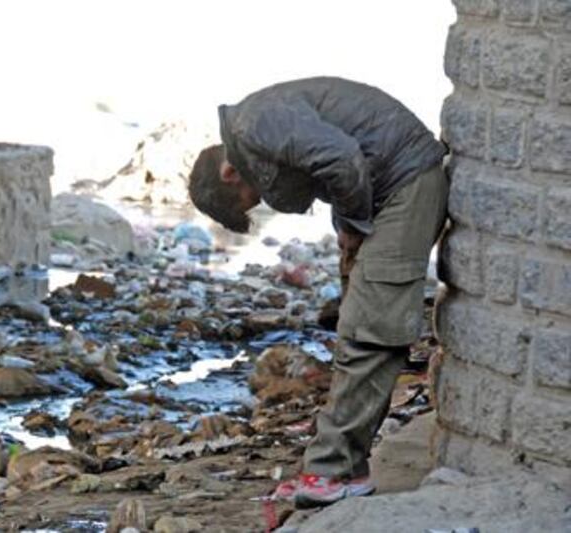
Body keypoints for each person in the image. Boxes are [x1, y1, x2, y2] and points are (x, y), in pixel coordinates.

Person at [188, 77, 449, 507]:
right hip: (389, 190)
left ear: (230, 172)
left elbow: (342, 159)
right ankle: (346, 466)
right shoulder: (255, 127)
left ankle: (334, 471)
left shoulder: (256, 125)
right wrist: (349, 227)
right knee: (357, 326)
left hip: (408, 181)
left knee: (371, 330)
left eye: (252, 200)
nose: (262, 201)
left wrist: (351, 223)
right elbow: (330, 167)